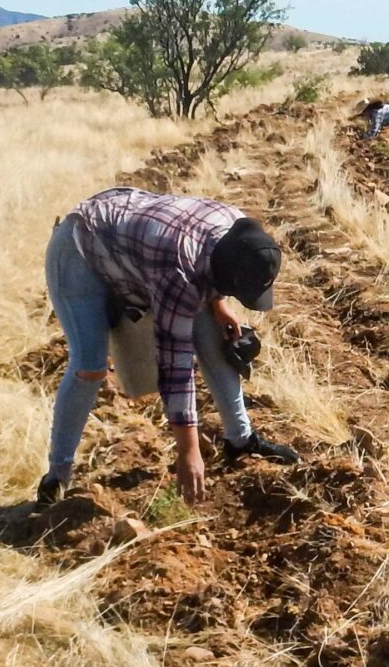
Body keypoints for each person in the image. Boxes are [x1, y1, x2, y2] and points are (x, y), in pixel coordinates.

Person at [39, 187, 301, 507]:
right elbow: (174, 366)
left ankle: (240, 440)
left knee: (217, 334)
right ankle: (56, 478)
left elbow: (208, 263)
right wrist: (188, 452)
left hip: (138, 243)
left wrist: (218, 304)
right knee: (89, 367)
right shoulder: (177, 271)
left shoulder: (238, 230)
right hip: (80, 248)